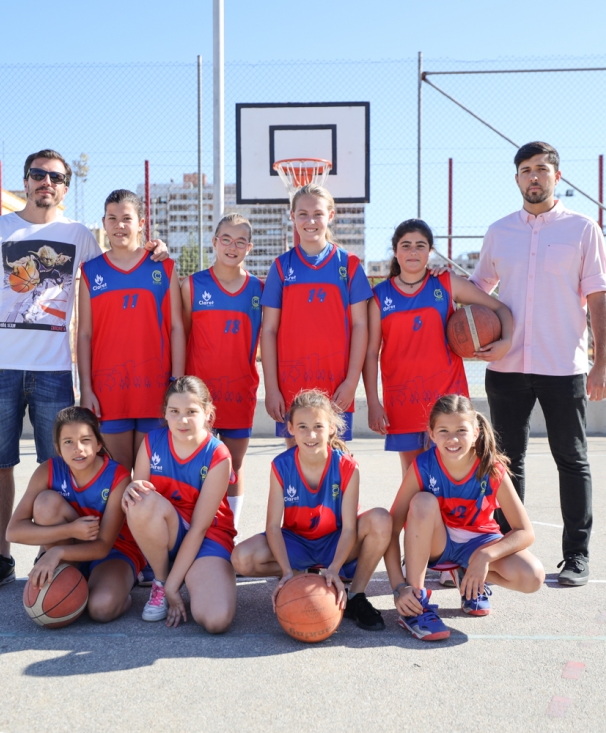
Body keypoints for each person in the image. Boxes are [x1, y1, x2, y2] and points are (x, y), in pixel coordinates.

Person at [0, 149, 168, 595]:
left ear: (65, 188)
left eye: (55, 178)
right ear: (26, 180)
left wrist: (157, 249)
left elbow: (120, 261)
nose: (46, 183)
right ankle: (2, 556)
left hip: (54, 370)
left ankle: (54, 552)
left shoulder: (78, 235)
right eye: (38, 174)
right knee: (0, 465)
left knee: (57, 468)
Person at [470, 141, 606, 587]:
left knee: (571, 459)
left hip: (563, 365)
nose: (534, 176)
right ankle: (506, 550)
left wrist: (602, 362)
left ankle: (577, 556)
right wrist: (467, 330)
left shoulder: (583, 229)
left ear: (557, 177)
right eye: (526, 170)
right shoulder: (499, 232)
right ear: (517, 178)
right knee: (504, 463)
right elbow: (477, 289)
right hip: (507, 366)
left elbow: (599, 298)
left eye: (542, 169)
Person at [364, 218, 515, 589]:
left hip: (447, 403)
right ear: (395, 251)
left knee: (454, 479)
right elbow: (370, 354)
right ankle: (424, 554)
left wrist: (506, 341)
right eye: (405, 245)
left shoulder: (446, 285)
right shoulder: (380, 296)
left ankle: (454, 559)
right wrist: (373, 401)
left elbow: (501, 309)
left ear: (430, 251)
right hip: (402, 403)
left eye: (420, 245)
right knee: (416, 487)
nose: (412, 252)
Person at [384, 395, 544, 640]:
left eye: (461, 430)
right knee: (423, 502)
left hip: (478, 543)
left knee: (533, 576)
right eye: (444, 431)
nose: (453, 439)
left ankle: (467, 575)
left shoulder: (491, 468)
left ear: (475, 432)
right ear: (431, 434)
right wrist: (399, 588)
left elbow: (525, 531)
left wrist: (484, 557)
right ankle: (416, 604)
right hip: (438, 545)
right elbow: (392, 529)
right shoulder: (423, 466)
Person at [231, 389, 390, 631]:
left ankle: (355, 596)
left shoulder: (347, 466)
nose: (311, 434)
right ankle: (303, 574)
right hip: (298, 541)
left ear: (331, 428)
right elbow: (273, 526)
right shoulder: (281, 465)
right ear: (291, 429)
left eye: (318, 426)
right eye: (302, 427)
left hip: (335, 540)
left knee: (380, 519)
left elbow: (349, 528)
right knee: (241, 558)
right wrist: (286, 571)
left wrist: (334, 568)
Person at [5, 406, 142, 623]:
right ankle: (72, 573)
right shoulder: (48, 471)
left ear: (99, 444)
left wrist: (57, 551)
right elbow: (13, 532)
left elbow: (103, 546)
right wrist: (69, 531)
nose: (77, 449)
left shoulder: (118, 477)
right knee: (45, 502)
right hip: (70, 545)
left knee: (101, 609)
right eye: (68, 442)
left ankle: (121, 584)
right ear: (58, 448)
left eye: (85, 440)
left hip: (112, 552)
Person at [78, 189, 184, 468]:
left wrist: (177, 382)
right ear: (104, 223)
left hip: (156, 390)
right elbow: (84, 335)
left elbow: (176, 327)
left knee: (153, 478)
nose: (119, 225)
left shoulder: (164, 267)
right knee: (119, 475)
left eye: (126, 218)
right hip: (109, 392)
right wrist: (86, 388)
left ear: (141, 223)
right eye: (112, 218)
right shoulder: (90, 271)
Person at [121, 377, 237, 633]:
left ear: (207, 413)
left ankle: (191, 575)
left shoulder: (218, 454)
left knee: (216, 620)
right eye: (174, 411)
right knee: (139, 499)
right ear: (165, 413)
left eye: (191, 412)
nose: (182, 420)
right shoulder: (152, 442)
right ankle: (160, 581)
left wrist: (177, 587)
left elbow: (198, 528)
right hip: (169, 529)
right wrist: (130, 488)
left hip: (206, 536)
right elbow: (140, 501)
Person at [261, 184, 372, 446]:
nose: (310, 221)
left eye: (318, 214)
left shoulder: (349, 264)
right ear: (292, 217)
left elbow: (360, 326)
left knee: (336, 459)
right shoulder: (281, 266)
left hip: (336, 385)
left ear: (330, 216)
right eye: (303, 214)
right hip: (291, 385)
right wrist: (272, 388)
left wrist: (351, 382)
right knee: (295, 459)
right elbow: (269, 330)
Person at [180, 213, 263, 528]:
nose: (232, 246)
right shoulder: (192, 286)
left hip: (240, 392)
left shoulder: (259, 289)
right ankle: (193, 532)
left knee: (232, 468)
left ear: (249, 248)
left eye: (240, 241)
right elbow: (182, 335)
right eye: (226, 239)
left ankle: (229, 532)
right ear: (215, 242)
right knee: (194, 466)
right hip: (198, 395)